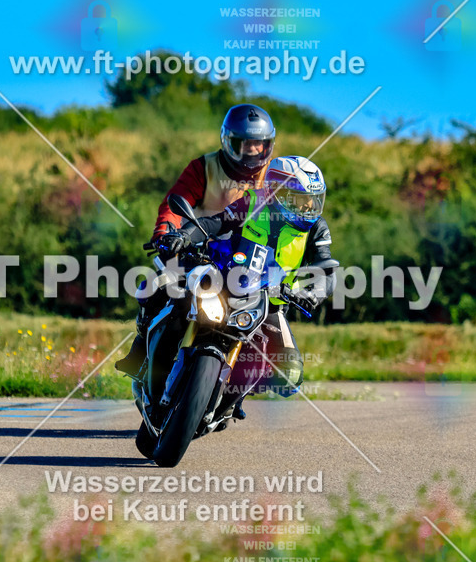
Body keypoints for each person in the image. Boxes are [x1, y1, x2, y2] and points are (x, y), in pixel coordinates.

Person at [116, 104, 276, 378]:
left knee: (271, 321)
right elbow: (174, 202)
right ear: (227, 141)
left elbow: (289, 217)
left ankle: (246, 382)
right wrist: (166, 233)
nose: (250, 151)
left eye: (257, 145)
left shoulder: (274, 176)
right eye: (242, 144)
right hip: (197, 247)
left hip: (251, 261)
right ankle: (140, 351)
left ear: (268, 145)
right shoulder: (204, 167)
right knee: (159, 286)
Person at [159, 156, 335, 400]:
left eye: (314, 201)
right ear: (279, 192)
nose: (309, 208)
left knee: (289, 377)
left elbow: (325, 268)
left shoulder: (317, 227)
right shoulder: (254, 203)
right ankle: (149, 364)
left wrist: (312, 294)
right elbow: (214, 224)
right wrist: (185, 236)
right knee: (176, 300)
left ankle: (233, 396)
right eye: (302, 201)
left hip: (272, 300)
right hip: (227, 280)